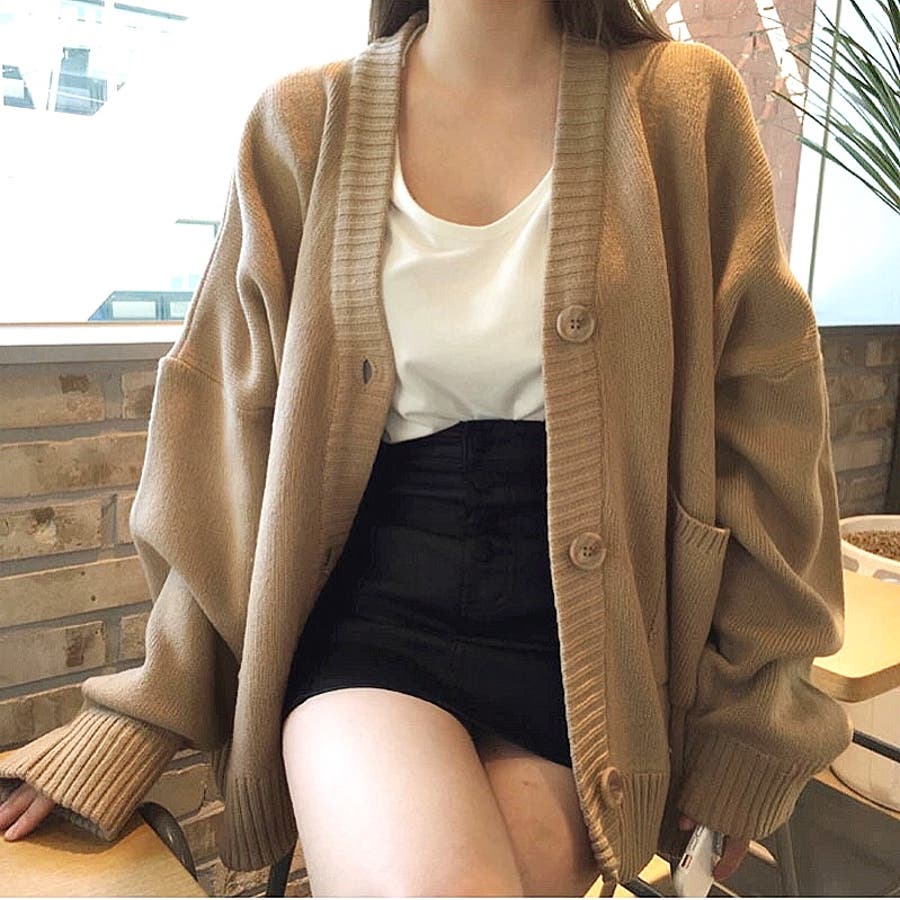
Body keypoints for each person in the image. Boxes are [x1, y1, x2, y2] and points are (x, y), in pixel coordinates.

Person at [0, 0, 853, 895]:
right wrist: (142, 710)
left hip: (591, 655)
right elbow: (223, 443)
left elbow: (767, 432)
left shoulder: (682, 106)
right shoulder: (302, 123)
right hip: (372, 623)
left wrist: (752, 728)